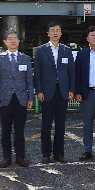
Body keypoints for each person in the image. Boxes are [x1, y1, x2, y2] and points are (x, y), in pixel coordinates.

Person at [33, 21, 75, 164]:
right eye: (52, 30)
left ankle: (59, 154)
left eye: (58, 30)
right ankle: (46, 154)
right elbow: (37, 73)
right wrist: (39, 91)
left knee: (60, 125)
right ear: (48, 33)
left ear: (61, 33)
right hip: (47, 91)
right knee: (46, 125)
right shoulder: (40, 50)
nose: (55, 33)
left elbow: (72, 72)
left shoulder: (67, 51)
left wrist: (71, 90)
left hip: (62, 91)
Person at [0, 30, 34, 168]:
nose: (12, 41)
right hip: (5, 99)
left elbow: (29, 80)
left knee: (20, 130)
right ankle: (6, 158)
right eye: (9, 38)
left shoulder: (25, 58)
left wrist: (30, 98)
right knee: (5, 130)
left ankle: (20, 158)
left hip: (21, 99)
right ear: (5, 42)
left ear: (19, 41)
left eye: (15, 38)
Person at [74, 26, 95, 163]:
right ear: (87, 38)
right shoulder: (81, 54)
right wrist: (77, 92)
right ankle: (88, 151)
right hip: (86, 95)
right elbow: (77, 74)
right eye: (92, 35)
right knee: (87, 125)